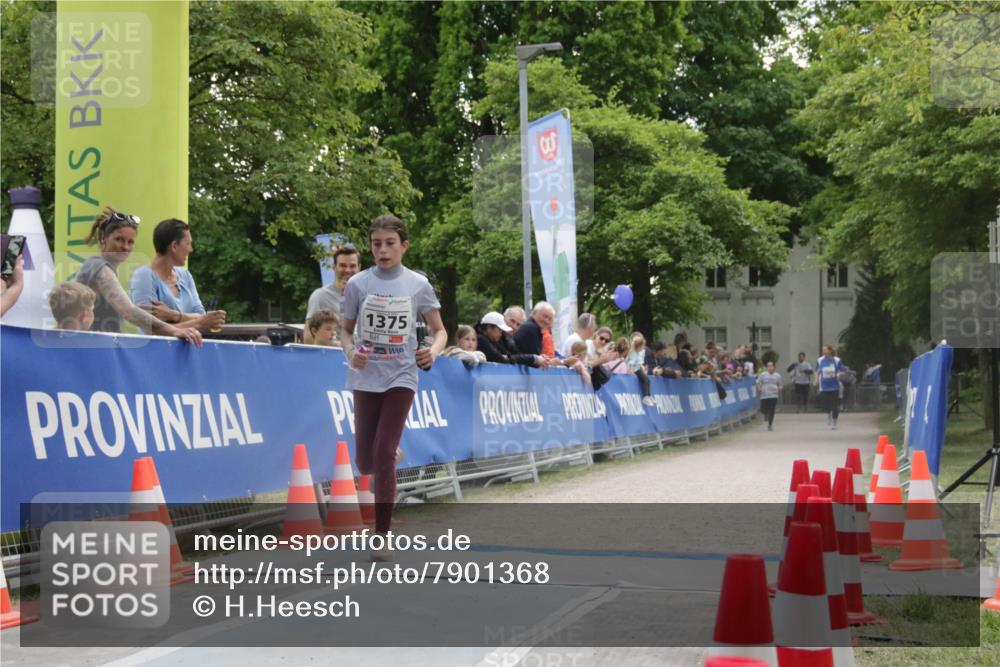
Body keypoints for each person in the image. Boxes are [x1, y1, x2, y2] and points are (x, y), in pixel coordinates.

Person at [340, 214, 446, 561]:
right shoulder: (358, 283)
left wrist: (433, 350)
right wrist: (351, 351)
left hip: (402, 374)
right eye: (376, 244)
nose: (382, 250)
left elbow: (440, 331)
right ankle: (387, 454)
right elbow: (345, 331)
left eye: (389, 243)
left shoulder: (418, 284)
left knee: (383, 450)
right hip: (366, 375)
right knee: (365, 461)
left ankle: (382, 534)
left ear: (404, 245)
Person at [75, 208, 202, 346]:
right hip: (87, 352)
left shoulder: (102, 267)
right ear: (103, 239)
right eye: (119, 239)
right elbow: (128, 310)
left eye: (130, 242)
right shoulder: (98, 267)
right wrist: (175, 331)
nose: (125, 247)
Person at [130, 218, 225, 332]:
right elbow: (151, 331)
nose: (191, 249)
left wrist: (173, 315)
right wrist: (199, 323)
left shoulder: (185, 275)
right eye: (188, 243)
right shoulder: (144, 277)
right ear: (174, 246)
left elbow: (201, 314)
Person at [305, 244, 361, 343]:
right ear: (334, 267)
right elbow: (308, 339)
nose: (348, 270)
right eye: (343, 265)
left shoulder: (366, 296)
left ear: (359, 268)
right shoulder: (320, 295)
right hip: (334, 356)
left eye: (352, 266)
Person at [475, 312, 545, 368]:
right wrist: (533, 358)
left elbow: (510, 355)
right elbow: (501, 359)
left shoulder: (495, 341)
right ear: (489, 328)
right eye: (499, 330)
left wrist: (508, 357)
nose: (501, 334)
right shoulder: (480, 339)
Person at [816, 344, 846, 429]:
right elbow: (817, 371)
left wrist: (839, 374)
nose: (823, 351)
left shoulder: (837, 360)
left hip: (834, 386)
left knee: (835, 405)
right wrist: (816, 380)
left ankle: (834, 423)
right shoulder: (820, 360)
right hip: (824, 386)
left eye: (825, 350)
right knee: (826, 404)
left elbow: (842, 371)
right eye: (823, 350)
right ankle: (828, 414)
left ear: (830, 351)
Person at [627, 332, 655, 406]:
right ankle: (645, 396)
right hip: (636, 370)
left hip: (638, 368)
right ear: (639, 346)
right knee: (645, 380)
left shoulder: (638, 353)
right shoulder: (633, 353)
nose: (643, 348)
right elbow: (631, 363)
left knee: (648, 380)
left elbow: (639, 362)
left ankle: (648, 395)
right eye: (642, 346)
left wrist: (641, 366)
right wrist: (631, 369)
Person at [757, 360, 782, 431]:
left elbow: (780, 384)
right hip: (764, 394)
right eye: (768, 366)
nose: (770, 368)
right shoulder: (763, 374)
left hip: (774, 395)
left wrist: (780, 388)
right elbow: (758, 382)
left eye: (771, 366)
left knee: (772, 410)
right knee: (763, 409)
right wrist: (759, 387)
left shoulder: (778, 376)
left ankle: (770, 424)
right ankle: (766, 413)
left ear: (774, 367)